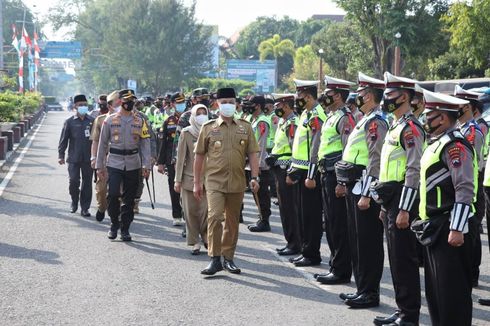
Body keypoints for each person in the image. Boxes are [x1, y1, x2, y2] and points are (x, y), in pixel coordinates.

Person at [418, 89, 476, 326]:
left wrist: (457, 228)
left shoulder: (455, 146)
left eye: (429, 115)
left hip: (450, 226)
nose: (424, 119)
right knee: (437, 293)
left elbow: (465, 188)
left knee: (453, 295)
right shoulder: (437, 143)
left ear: (441, 118)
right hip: (435, 226)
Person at [373, 72, 424, 326]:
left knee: (404, 259)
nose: (386, 99)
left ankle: (409, 315)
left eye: (390, 95)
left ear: (404, 97)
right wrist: (386, 206)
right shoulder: (395, 124)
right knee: (395, 258)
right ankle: (401, 309)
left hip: (404, 199)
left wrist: (404, 209)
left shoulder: (411, 127)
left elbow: (413, 171)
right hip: (391, 200)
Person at [193, 87, 260, 275]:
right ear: (217, 104)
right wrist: (197, 183)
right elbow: (199, 156)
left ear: (236, 103)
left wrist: (255, 177)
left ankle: (228, 258)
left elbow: (253, 154)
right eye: (224, 102)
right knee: (214, 217)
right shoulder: (208, 127)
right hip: (214, 181)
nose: (228, 105)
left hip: (237, 182)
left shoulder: (245, 127)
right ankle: (214, 259)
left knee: (232, 222)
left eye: (231, 101)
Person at [337, 73, 387, 309]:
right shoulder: (364, 118)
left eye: (361, 93)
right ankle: (361, 288)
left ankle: (369, 292)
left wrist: (367, 193)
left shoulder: (376, 121)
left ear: (370, 96)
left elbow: (375, 161)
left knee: (367, 243)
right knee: (356, 240)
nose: (357, 96)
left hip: (364, 187)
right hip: (353, 185)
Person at [314, 75, 356, 285]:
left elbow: (347, 152)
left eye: (329, 93)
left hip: (335, 176)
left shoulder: (345, 118)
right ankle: (334, 265)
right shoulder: (332, 116)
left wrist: (341, 181)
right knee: (330, 223)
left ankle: (340, 270)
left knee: (338, 224)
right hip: (326, 173)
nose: (325, 96)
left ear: (338, 95)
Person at [95, 89, 151, 241]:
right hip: (114, 161)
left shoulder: (140, 121)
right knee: (113, 194)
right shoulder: (110, 120)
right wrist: (99, 166)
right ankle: (114, 224)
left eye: (132, 101)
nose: (129, 104)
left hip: (133, 163)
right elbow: (102, 143)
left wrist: (147, 165)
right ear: (121, 102)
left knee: (130, 198)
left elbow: (145, 143)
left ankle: (125, 228)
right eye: (126, 101)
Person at [287, 79, 327, 267]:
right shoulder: (305, 113)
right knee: (303, 214)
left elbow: (315, 147)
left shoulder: (316, 115)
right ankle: (305, 250)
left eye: (299, 97)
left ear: (309, 96)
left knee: (311, 215)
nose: (296, 100)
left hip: (310, 173)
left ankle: (312, 253)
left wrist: (311, 175)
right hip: (300, 170)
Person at [454, 85, 485, 288]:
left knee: (471, 230)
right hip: (462, 184)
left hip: (472, 185)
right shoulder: (459, 129)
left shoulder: (473, 131)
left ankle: (472, 273)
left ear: (468, 107)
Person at [268, 93, 301, 255]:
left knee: (289, 208)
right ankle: (291, 242)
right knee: (284, 208)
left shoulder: (292, 123)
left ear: (287, 106)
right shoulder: (284, 121)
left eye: (278, 106)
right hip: (279, 167)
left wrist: (291, 171)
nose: (275, 109)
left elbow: (294, 148)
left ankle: (295, 243)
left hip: (286, 169)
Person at [175, 104, 209, 255]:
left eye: (204, 112)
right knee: (190, 212)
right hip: (189, 179)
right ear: (193, 116)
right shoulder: (186, 132)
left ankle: (207, 236)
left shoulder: (212, 130)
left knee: (206, 212)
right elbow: (181, 158)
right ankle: (195, 241)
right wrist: (177, 180)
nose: (202, 115)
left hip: (208, 179)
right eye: (199, 113)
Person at [58, 94, 94, 217]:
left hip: (89, 158)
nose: (83, 107)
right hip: (73, 157)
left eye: (85, 104)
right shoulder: (69, 122)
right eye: (80, 105)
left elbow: (97, 141)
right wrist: (61, 155)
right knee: (73, 181)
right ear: (75, 106)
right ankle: (74, 202)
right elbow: (63, 140)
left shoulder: (92, 121)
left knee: (87, 183)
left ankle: (85, 208)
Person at [90, 90, 120, 221]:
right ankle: (102, 207)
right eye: (117, 103)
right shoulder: (100, 120)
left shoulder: (130, 119)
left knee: (118, 191)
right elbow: (95, 141)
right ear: (110, 105)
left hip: (120, 160)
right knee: (102, 190)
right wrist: (94, 158)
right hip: (103, 159)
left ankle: (116, 216)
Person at [157, 92, 185, 226]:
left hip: (188, 159)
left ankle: (187, 213)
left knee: (187, 187)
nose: (181, 105)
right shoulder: (169, 121)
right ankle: (177, 214)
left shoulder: (191, 118)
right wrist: (160, 163)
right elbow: (163, 143)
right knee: (174, 188)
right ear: (173, 104)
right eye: (178, 103)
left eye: (183, 102)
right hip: (171, 160)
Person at [247, 95, 273, 232]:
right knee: (257, 192)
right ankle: (261, 217)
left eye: (250, 104)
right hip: (256, 162)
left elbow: (261, 145)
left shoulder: (262, 121)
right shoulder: (255, 120)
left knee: (261, 193)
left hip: (261, 164)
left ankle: (265, 220)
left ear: (257, 105)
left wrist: (259, 165)